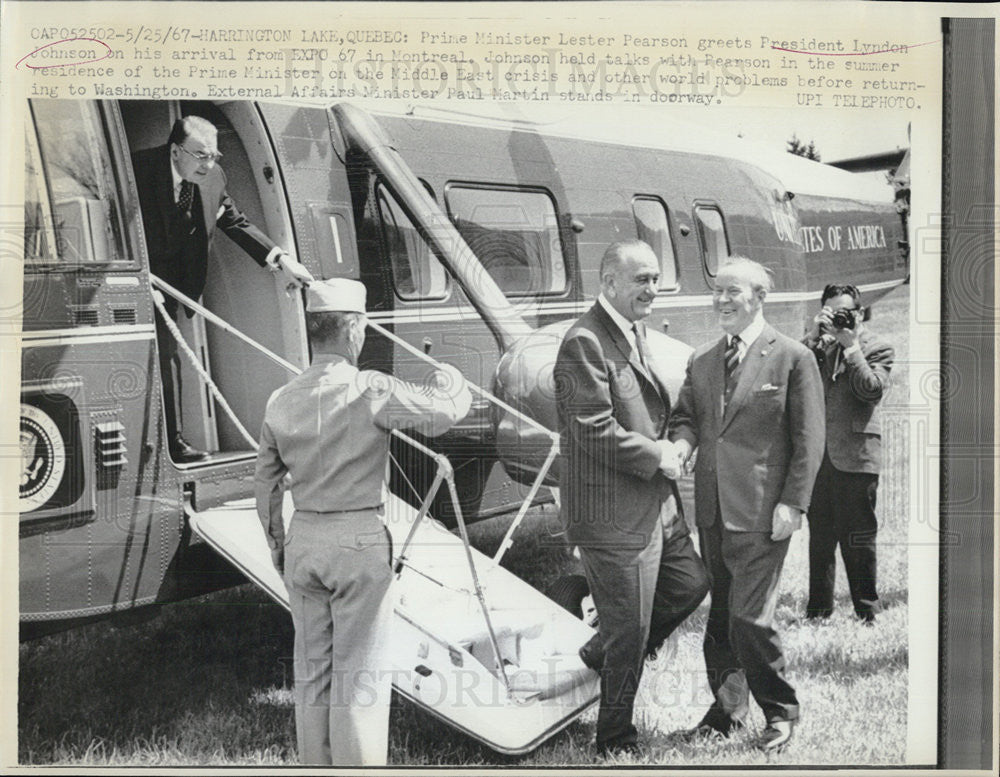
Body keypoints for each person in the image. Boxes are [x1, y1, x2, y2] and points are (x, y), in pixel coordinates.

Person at [254, 278, 471, 766]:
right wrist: (451, 379)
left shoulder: (279, 399)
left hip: (303, 540)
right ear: (353, 329)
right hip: (358, 543)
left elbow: (265, 486)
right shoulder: (371, 389)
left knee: (312, 676)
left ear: (313, 330)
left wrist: (277, 544)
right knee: (360, 679)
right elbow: (444, 415)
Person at [554, 240, 710, 757]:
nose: (653, 289)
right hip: (611, 513)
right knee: (631, 629)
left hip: (655, 503)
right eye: (641, 279)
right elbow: (591, 429)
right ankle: (615, 738)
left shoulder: (631, 331)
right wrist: (658, 455)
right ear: (609, 284)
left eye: (656, 278)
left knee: (691, 583)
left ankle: (605, 649)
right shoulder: (584, 342)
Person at [669, 257, 824, 752]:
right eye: (716, 291)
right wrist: (682, 445)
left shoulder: (793, 357)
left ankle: (781, 712)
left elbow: (809, 439)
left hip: (763, 514)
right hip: (713, 512)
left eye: (732, 292)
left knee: (748, 620)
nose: (721, 301)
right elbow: (685, 418)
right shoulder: (703, 359)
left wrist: (794, 504)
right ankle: (728, 710)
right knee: (720, 622)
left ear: (760, 297)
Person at [132, 115, 313, 463]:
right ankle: (152, 446)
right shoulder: (136, 170)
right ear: (175, 151)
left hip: (174, 285)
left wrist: (281, 260)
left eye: (214, 156)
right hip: (140, 281)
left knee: (168, 357)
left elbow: (233, 219)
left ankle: (172, 444)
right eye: (201, 155)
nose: (209, 164)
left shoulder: (213, 177)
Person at [802, 284, 894, 623]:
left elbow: (870, 391)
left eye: (846, 312)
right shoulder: (815, 347)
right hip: (819, 456)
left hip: (857, 456)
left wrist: (852, 348)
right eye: (832, 311)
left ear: (859, 313)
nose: (840, 318)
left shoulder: (878, 347)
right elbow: (791, 377)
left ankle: (867, 610)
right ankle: (818, 611)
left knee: (858, 538)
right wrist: (814, 337)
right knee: (820, 537)